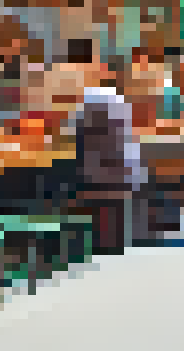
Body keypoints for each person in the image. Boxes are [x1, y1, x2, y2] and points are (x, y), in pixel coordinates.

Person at [66, 40, 142, 254]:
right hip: (122, 177)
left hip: (106, 180)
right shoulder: (109, 97)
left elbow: (80, 139)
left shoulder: (93, 99)